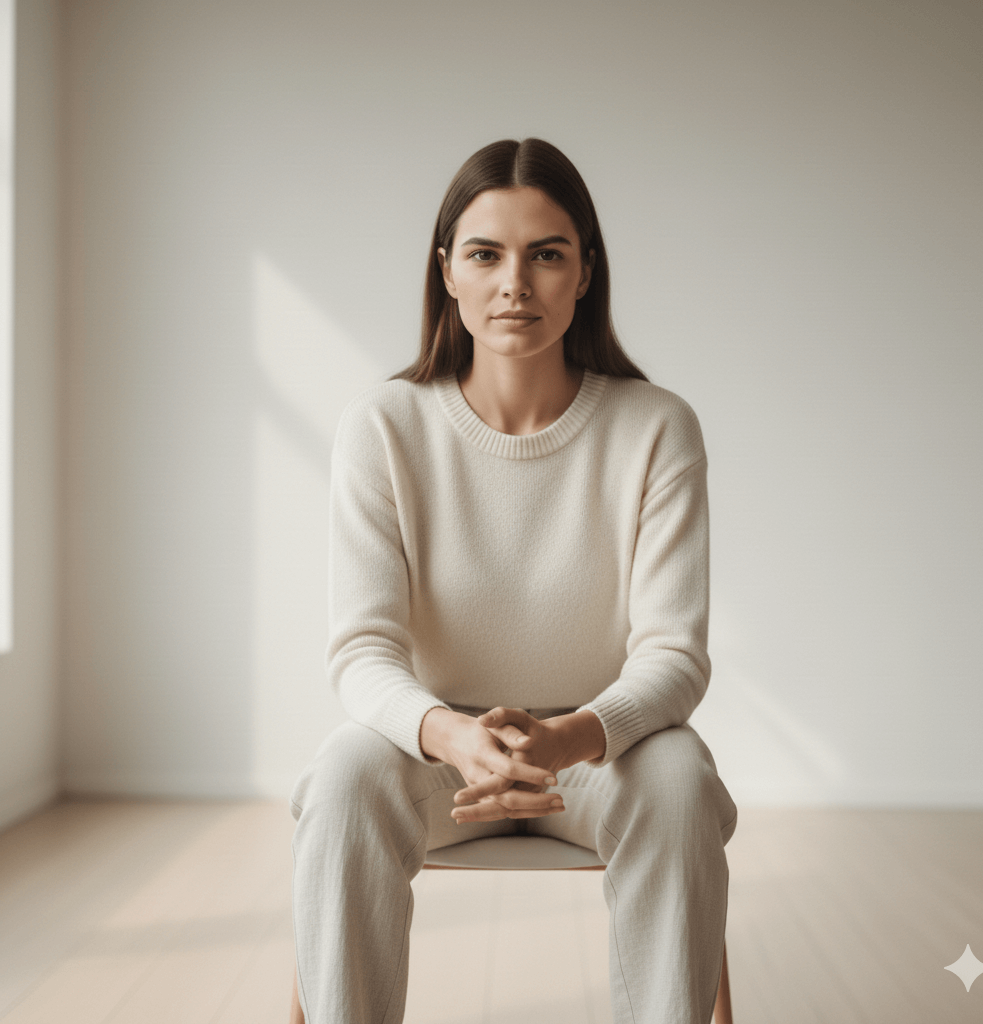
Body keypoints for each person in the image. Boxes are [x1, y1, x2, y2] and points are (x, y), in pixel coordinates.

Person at [288, 137, 738, 1024]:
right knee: (342, 776)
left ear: (585, 274)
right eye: (487, 253)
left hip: (598, 755)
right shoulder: (382, 427)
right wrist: (453, 736)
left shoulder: (656, 428)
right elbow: (362, 650)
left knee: (682, 780)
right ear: (447, 270)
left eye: (547, 255)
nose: (515, 284)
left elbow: (675, 657)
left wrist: (570, 737)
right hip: (437, 756)